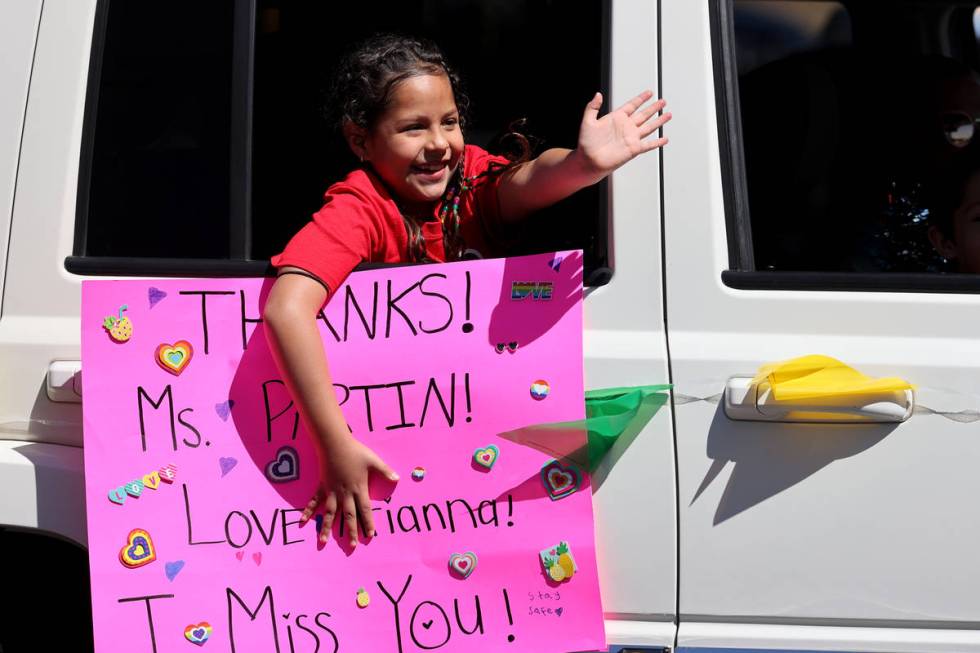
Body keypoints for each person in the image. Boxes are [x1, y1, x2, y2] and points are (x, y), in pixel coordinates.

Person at [263, 34, 670, 548]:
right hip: (399, 480)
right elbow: (286, 309)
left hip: (481, 478)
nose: (439, 144)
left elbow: (526, 183)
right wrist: (333, 443)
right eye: (413, 128)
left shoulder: (471, 182)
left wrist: (580, 166)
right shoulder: (360, 207)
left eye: (449, 122)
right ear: (359, 139)